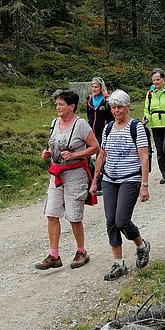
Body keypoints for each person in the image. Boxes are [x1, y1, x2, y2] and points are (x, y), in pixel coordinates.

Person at [90, 89, 150, 281]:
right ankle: (119, 264)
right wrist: (94, 180)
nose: (116, 111)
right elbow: (102, 155)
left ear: (127, 107)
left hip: (130, 179)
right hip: (109, 180)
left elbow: (144, 157)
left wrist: (144, 184)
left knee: (122, 220)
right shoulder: (108, 128)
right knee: (110, 222)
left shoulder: (136, 127)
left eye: (120, 107)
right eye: (113, 107)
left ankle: (141, 246)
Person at [36, 90, 100, 270]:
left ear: (71, 106)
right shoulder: (55, 123)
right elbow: (53, 143)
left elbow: (95, 147)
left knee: (73, 216)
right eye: (57, 104)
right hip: (56, 174)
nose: (57, 107)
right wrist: (48, 153)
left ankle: (81, 252)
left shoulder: (81, 125)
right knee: (51, 213)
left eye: (61, 104)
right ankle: (54, 255)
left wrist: (75, 154)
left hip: (75, 174)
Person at [86, 77, 114, 195]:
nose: (94, 89)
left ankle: (101, 185)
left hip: (103, 132)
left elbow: (111, 118)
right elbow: (89, 116)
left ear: (101, 87)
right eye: (92, 86)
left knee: (101, 159)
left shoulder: (107, 100)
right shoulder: (89, 99)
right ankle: (91, 181)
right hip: (91, 133)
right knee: (87, 158)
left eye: (96, 86)